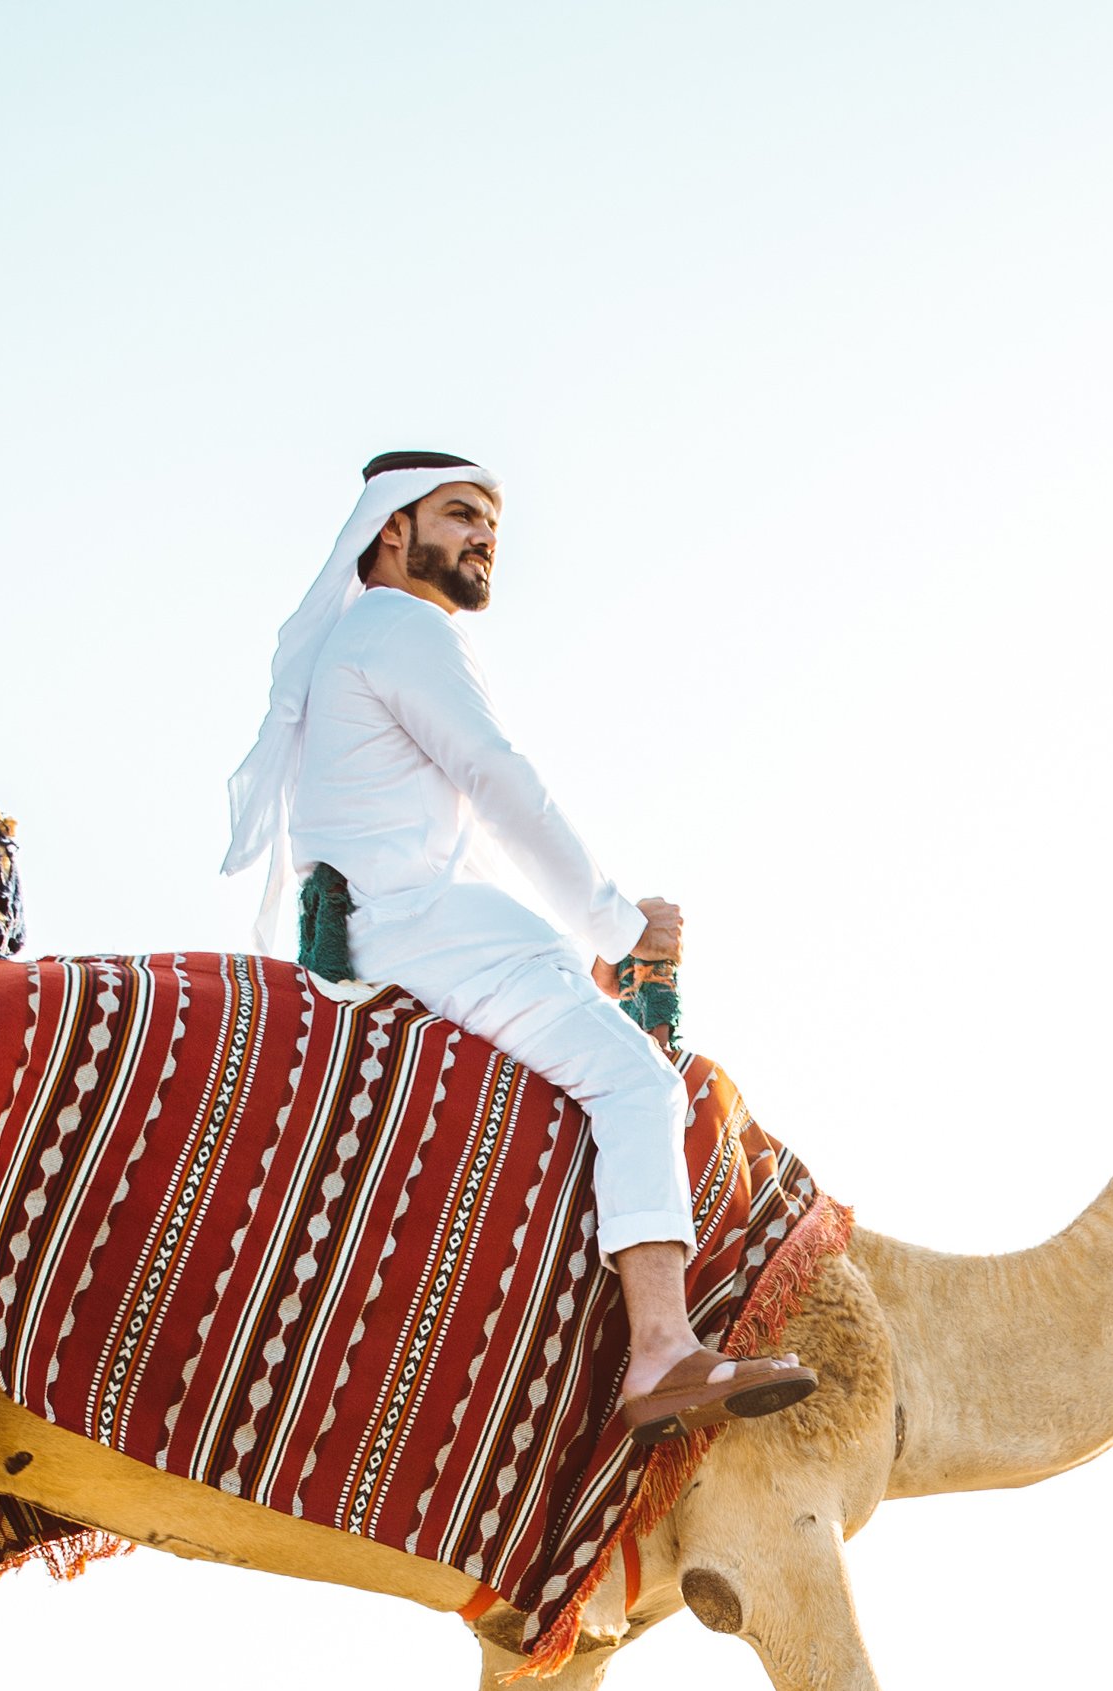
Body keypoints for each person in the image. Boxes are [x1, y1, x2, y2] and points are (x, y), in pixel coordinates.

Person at [219, 451, 813, 1441]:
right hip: (414, 927)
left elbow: (470, 829)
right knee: (639, 1085)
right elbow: (499, 779)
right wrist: (619, 928)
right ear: (393, 530)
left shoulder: (362, 639)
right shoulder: (403, 626)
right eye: (460, 514)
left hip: (391, 924)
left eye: (492, 522)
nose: (485, 536)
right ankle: (661, 1350)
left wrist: (589, 947)